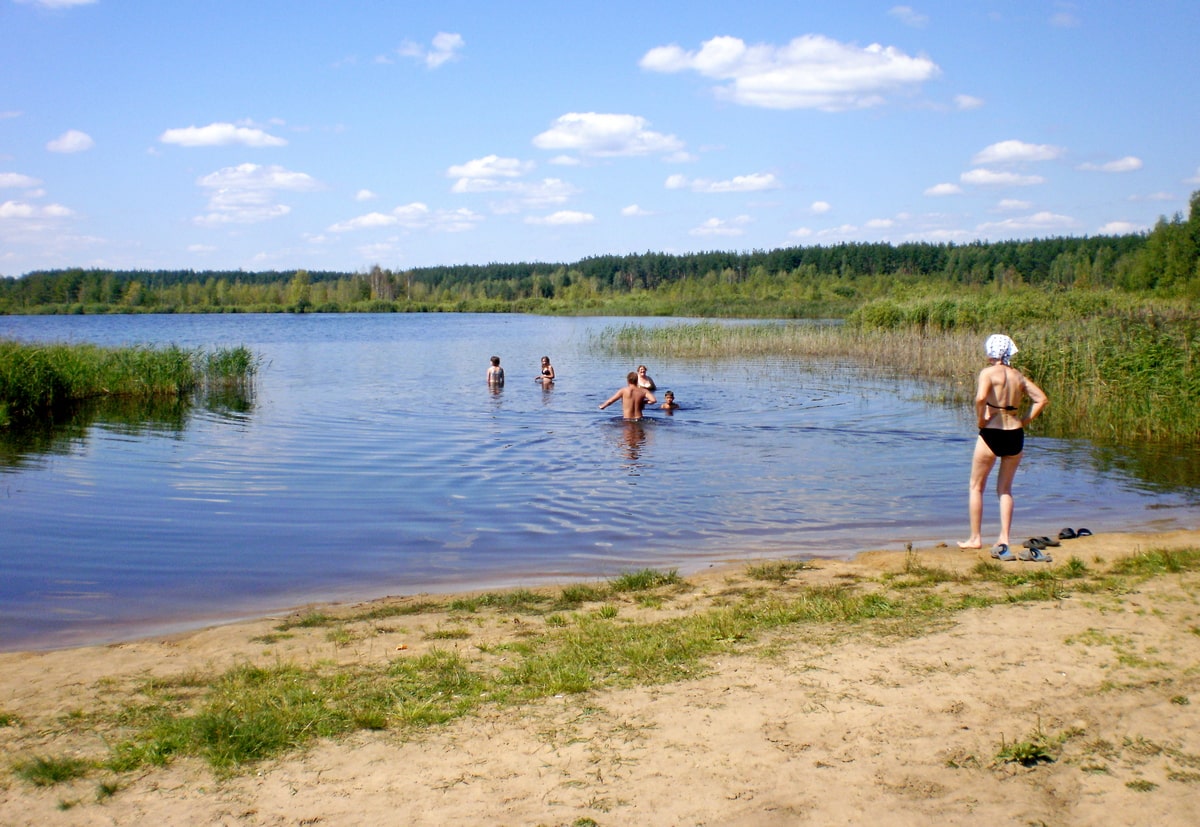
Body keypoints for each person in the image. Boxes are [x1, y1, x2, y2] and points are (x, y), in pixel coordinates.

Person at [957, 334, 1049, 559]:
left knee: (976, 486)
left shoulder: (988, 373)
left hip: (992, 432)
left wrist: (980, 420)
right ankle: (1004, 538)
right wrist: (1025, 421)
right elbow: (1041, 399)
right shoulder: (1018, 376)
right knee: (1005, 490)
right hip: (1014, 433)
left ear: (991, 351)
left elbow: (980, 399)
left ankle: (975, 538)